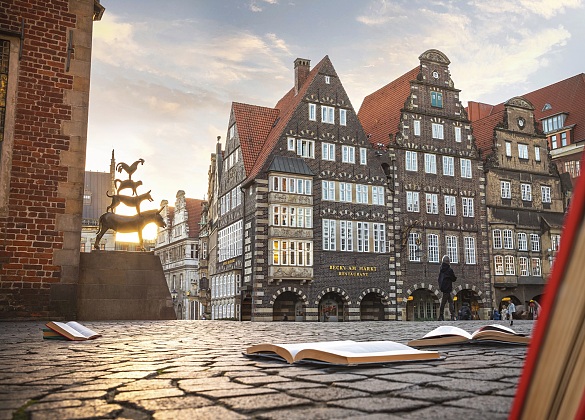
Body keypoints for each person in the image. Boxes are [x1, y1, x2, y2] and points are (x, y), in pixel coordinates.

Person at [438, 255, 457, 321]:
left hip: (443, 288)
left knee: (450, 301)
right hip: (448, 288)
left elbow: (439, 279)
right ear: (448, 262)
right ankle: (442, 316)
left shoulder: (441, 269)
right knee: (444, 302)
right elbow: (454, 278)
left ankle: (452, 315)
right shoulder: (449, 270)